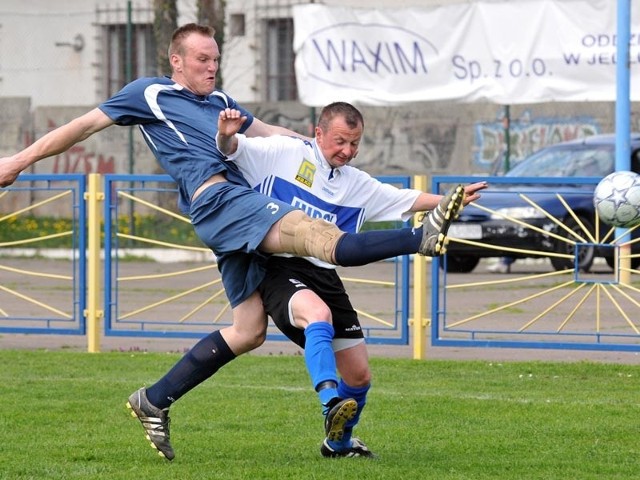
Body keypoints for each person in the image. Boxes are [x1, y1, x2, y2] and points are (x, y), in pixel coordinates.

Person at [0, 24, 465, 461]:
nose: (211, 67)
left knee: (248, 331)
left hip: (236, 214)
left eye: (216, 59)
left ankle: (154, 399)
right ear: (176, 61)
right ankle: (418, 239)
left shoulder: (221, 99)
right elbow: (82, 126)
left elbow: (267, 133)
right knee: (314, 234)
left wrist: (316, 147)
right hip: (220, 200)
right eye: (202, 59)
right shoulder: (150, 93)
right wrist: (19, 161)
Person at [216, 102, 487, 458]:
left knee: (359, 377)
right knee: (317, 314)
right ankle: (330, 402)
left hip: (324, 274)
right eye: (340, 141)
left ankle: (338, 443)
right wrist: (224, 135)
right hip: (276, 267)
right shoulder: (283, 153)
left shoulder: (356, 184)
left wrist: (450, 200)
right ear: (318, 132)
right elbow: (234, 150)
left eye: (354, 144)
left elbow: (403, 198)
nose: (347, 151)